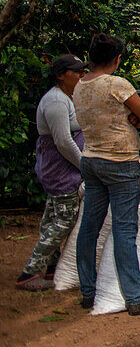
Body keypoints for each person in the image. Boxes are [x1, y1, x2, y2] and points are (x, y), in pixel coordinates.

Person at [72, 33, 140, 315]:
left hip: (91, 160)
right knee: (124, 229)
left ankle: (88, 291)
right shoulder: (117, 84)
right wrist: (131, 119)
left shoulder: (80, 85)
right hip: (121, 161)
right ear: (117, 59)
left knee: (89, 228)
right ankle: (135, 297)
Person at [16, 55, 88, 291]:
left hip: (61, 168)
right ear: (60, 75)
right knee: (65, 219)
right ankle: (30, 271)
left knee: (52, 215)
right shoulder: (56, 102)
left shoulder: (66, 98)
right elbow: (64, 141)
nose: (80, 75)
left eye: (81, 71)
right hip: (61, 169)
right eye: (76, 72)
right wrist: (84, 166)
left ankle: (51, 265)